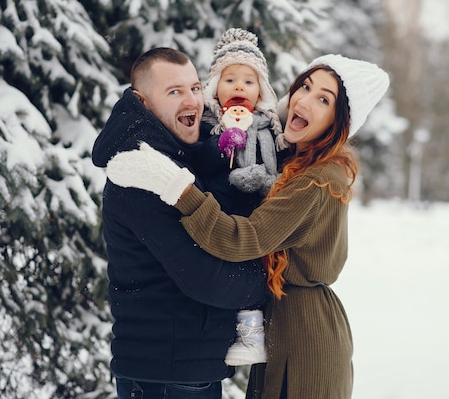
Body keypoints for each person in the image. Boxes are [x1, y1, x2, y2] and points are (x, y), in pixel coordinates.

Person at [105, 53, 390, 398]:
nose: (304, 99)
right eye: (304, 87)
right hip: (268, 336)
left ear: (337, 121)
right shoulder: (295, 165)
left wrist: (177, 188)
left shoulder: (317, 179)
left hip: (305, 337)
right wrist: (285, 116)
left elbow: (244, 238)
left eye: (323, 99)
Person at [91, 47, 270, 399]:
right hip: (165, 376)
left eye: (194, 88)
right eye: (174, 92)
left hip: (184, 370)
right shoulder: (141, 171)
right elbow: (206, 279)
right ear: (143, 102)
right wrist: (270, 282)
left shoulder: (179, 153)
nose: (192, 101)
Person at [194, 27, 289, 367]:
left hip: (255, 210)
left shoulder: (269, 125)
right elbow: (199, 161)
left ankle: (251, 338)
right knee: (220, 274)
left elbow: (279, 157)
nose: (238, 87)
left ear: (260, 90)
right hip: (220, 207)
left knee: (251, 278)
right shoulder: (208, 123)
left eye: (248, 82)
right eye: (230, 79)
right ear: (215, 86)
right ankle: (218, 331)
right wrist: (221, 146)